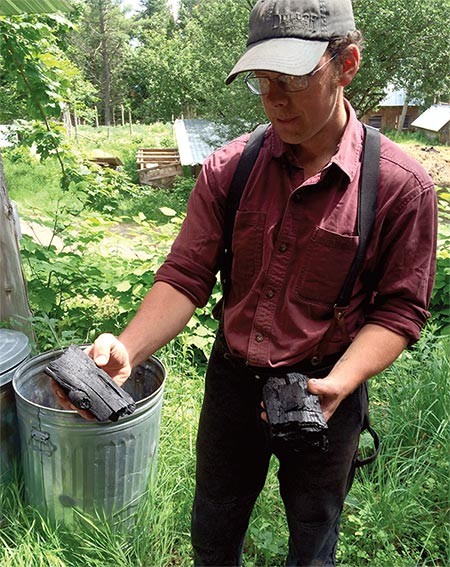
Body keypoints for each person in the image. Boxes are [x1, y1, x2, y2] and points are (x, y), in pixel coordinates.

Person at [55, 0, 437, 564]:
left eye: (293, 80)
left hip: (327, 388)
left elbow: (400, 310)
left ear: (347, 64)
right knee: (214, 522)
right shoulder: (230, 168)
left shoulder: (401, 188)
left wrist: (341, 383)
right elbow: (186, 276)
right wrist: (128, 349)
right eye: (262, 81)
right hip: (233, 385)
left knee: (314, 535)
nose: (273, 99)